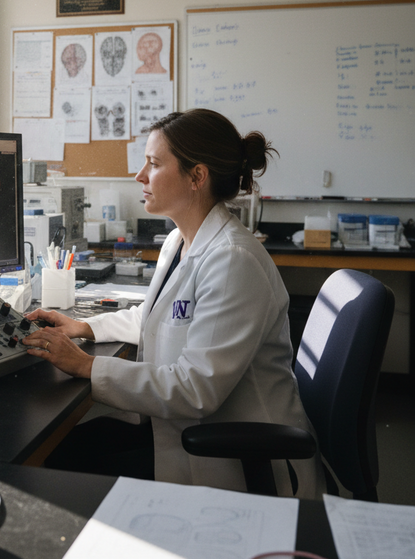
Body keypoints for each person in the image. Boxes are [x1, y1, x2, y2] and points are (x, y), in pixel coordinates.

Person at [22, 108, 325, 498]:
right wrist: (86, 327)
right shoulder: (181, 241)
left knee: (56, 468)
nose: (140, 177)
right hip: (187, 435)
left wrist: (86, 365)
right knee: (68, 448)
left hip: (241, 462)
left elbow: (196, 388)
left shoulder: (233, 259)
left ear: (197, 176)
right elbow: (162, 318)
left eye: (153, 164)